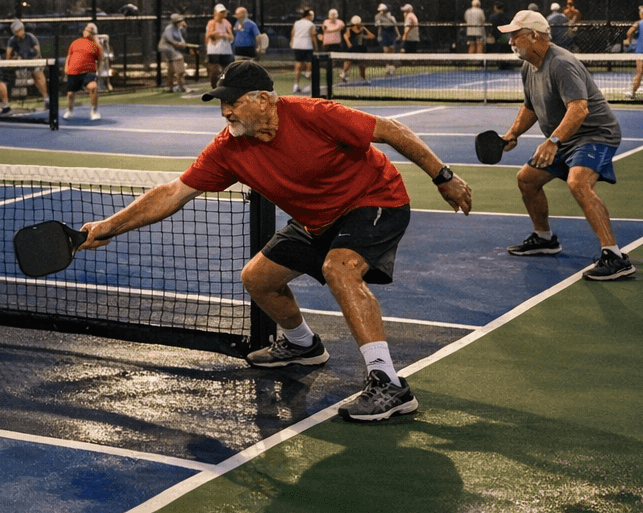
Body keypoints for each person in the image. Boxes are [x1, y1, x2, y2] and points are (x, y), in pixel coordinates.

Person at [77, 60, 472, 422]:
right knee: (257, 278)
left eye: (232, 103)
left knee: (339, 268)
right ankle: (303, 345)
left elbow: (392, 130)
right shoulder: (228, 149)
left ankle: (388, 384)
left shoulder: (315, 115)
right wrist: (107, 227)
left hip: (373, 200)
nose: (225, 112)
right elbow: (172, 193)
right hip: (315, 219)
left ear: (264, 100)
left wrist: (444, 177)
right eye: (221, 104)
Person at [495, 10, 635, 280]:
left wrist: (553, 141)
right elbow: (530, 107)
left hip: (594, 134)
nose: (511, 41)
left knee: (578, 182)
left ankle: (615, 256)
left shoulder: (561, 63)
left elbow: (579, 110)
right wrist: (512, 133)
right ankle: (544, 238)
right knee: (527, 179)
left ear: (535, 36)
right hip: (564, 138)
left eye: (516, 35)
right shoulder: (529, 66)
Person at [64, 21, 104, 121]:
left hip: (88, 73)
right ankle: (69, 109)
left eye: (91, 31)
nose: (88, 33)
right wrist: (66, 67)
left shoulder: (97, 46)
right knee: (70, 94)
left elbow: (100, 60)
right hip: (74, 72)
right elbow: (69, 56)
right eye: (86, 30)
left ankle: (94, 111)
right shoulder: (75, 42)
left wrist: (97, 72)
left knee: (93, 87)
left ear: (94, 34)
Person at [6, 19, 49, 102]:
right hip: (19, 64)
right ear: (14, 32)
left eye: (21, 29)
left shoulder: (31, 37)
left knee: (37, 73)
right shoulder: (11, 40)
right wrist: (15, 59)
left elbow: (38, 53)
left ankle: (45, 97)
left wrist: (32, 59)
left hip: (32, 61)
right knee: (7, 73)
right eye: (17, 31)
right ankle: (9, 99)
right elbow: (8, 57)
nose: (20, 32)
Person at [158, 12, 190, 93]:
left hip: (172, 49)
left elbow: (181, 39)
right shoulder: (169, 28)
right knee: (180, 61)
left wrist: (183, 43)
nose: (180, 22)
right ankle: (180, 86)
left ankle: (171, 87)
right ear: (174, 22)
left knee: (171, 69)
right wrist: (179, 45)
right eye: (178, 21)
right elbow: (171, 41)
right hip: (166, 48)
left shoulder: (178, 29)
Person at [340, 15, 375, 85]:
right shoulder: (349, 29)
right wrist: (349, 43)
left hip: (361, 49)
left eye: (358, 24)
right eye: (356, 24)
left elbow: (372, 36)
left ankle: (363, 79)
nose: (357, 25)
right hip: (353, 48)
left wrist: (364, 35)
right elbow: (345, 36)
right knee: (348, 62)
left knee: (362, 65)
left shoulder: (362, 29)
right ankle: (344, 74)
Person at [289, 7, 316, 94]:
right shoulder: (311, 24)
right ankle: (308, 73)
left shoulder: (296, 23)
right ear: (309, 15)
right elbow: (313, 36)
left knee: (298, 63)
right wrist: (316, 47)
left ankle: (296, 85)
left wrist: (292, 41)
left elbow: (292, 33)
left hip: (297, 45)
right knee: (310, 62)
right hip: (307, 45)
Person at [204, 4, 234, 73]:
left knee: (226, 69)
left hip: (225, 49)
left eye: (224, 12)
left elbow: (231, 36)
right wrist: (221, 35)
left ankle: (224, 82)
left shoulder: (227, 23)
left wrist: (223, 35)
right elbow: (210, 35)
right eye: (221, 12)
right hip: (214, 49)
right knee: (215, 69)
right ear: (215, 13)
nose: (223, 14)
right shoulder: (211, 23)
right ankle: (214, 83)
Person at [374, 3, 398, 74]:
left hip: (391, 33)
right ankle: (387, 67)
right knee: (385, 51)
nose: (381, 11)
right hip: (384, 33)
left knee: (392, 51)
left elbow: (395, 25)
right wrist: (379, 35)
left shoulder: (390, 16)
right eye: (380, 10)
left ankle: (392, 67)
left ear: (385, 10)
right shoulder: (377, 16)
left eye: (383, 10)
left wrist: (398, 34)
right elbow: (378, 26)